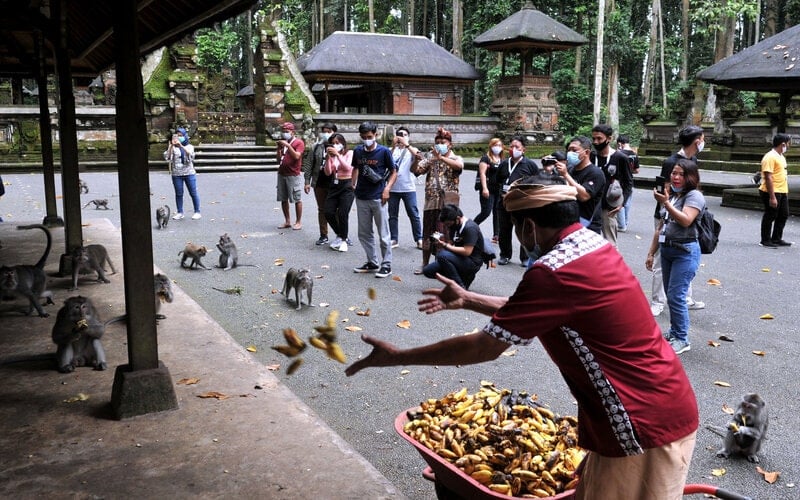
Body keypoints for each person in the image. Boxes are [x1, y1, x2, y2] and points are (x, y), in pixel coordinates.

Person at [346, 174, 699, 499]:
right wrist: (469, 299)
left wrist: (397, 356)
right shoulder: (591, 245)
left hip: (640, 426)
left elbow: (486, 346)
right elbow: (534, 308)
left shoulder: (552, 272)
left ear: (528, 227)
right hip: (662, 404)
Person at [646, 158, 705, 355]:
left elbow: (686, 220)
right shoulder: (673, 196)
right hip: (667, 250)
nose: (676, 177)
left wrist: (665, 203)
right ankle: (674, 332)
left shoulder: (694, 196)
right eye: (674, 173)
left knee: (676, 296)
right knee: (672, 296)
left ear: (691, 177)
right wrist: (650, 253)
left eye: (681, 174)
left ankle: (682, 339)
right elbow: (661, 227)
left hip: (685, 251)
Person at [650, 125, 705, 316]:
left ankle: (686, 297)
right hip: (667, 214)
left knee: (685, 259)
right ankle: (657, 301)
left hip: (687, 212)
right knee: (660, 259)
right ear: (697, 141)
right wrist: (668, 207)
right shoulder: (671, 161)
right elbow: (664, 189)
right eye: (702, 138)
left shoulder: (693, 160)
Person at [412, 127, 463, 275]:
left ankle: (441, 265)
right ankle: (425, 264)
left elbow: (459, 167)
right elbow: (416, 171)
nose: (440, 144)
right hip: (431, 202)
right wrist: (416, 160)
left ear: (450, 145)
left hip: (448, 205)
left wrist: (441, 158)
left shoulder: (456, 158)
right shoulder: (431, 159)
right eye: (438, 142)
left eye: (443, 142)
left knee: (444, 235)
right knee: (427, 234)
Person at [351, 121, 397, 278]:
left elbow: (393, 171)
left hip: (378, 196)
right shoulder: (358, 151)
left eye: (369, 136)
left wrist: (387, 189)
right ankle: (372, 261)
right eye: (363, 137)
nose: (366, 139)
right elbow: (355, 168)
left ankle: (386, 264)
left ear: (376, 134)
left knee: (383, 233)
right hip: (361, 196)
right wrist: (352, 184)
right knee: (364, 233)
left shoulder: (384, 151)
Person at [495, 135, 538, 265]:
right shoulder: (503, 164)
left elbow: (535, 183)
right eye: (512, 146)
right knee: (504, 230)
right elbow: (498, 181)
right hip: (504, 203)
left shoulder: (530, 165)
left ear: (523, 149)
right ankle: (505, 255)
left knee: (524, 230)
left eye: (517, 147)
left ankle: (524, 257)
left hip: (522, 204)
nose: (514, 149)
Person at [423, 204, 485, 290]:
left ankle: (460, 287)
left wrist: (445, 245)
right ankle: (463, 278)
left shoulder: (470, 228)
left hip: (472, 261)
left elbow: (467, 251)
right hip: (460, 259)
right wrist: (439, 242)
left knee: (442, 255)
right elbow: (451, 243)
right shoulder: (454, 226)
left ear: (457, 219)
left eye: (448, 224)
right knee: (428, 271)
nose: (447, 226)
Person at [590, 124, 633, 246]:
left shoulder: (620, 158)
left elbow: (629, 182)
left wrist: (621, 204)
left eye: (599, 138)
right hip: (591, 205)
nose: (596, 142)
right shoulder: (591, 156)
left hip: (608, 206)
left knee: (610, 244)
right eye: (593, 139)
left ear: (609, 139)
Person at [556, 136, 605, 234]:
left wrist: (566, 175)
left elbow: (584, 196)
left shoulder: (595, 173)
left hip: (588, 225)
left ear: (586, 152)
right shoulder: (570, 169)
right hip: (569, 221)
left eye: (574, 150)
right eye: (569, 150)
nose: (570, 153)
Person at [388, 127, 423, 249]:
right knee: (392, 215)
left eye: (404, 135)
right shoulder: (390, 150)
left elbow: (419, 156)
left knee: (413, 214)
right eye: (399, 135)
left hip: (408, 188)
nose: (401, 137)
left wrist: (406, 144)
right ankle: (394, 239)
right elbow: (387, 163)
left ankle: (419, 238)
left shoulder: (412, 150)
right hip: (392, 188)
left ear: (408, 137)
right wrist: (393, 146)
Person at [303, 122, 337, 245]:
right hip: (319, 181)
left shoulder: (339, 146)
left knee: (337, 209)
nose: (326, 134)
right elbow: (308, 164)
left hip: (335, 182)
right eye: (324, 131)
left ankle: (341, 234)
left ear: (334, 132)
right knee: (322, 209)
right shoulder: (316, 146)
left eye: (329, 131)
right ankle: (323, 234)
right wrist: (307, 181)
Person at [758, 133, 792, 248]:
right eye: (788, 143)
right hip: (771, 191)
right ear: (783, 144)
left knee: (783, 214)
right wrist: (772, 197)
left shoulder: (781, 156)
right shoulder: (770, 157)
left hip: (782, 190)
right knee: (771, 214)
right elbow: (768, 177)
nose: (789, 145)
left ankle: (776, 238)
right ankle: (765, 240)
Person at [322, 133, 354, 252]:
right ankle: (340, 235)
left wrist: (338, 155)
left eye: (337, 143)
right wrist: (328, 158)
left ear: (343, 143)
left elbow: (348, 168)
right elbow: (328, 172)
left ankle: (344, 240)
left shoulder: (349, 153)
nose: (335, 145)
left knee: (342, 213)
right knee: (328, 211)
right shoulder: (332, 156)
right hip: (335, 185)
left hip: (347, 184)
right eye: (333, 143)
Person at [164, 127, 201, 220]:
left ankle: (197, 211)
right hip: (177, 174)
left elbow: (191, 157)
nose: (179, 137)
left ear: (185, 136)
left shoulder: (189, 146)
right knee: (179, 193)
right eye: (177, 136)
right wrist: (171, 146)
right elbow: (167, 157)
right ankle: (180, 212)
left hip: (189, 173)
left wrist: (181, 146)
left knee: (193, 192)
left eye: (181, 136)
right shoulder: (172, 147)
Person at [473, 138, 505, 243]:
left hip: (498, 189)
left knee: (497, 212)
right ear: (491, 146)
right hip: (488, 189)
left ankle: (497, 235)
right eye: (496, 145)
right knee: (486, 211)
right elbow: (482, 173)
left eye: (500, 145)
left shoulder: (502, 159)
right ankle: (471, 226)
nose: (498, 147)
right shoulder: (486, 158)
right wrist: (484, 188)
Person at [275, 122, 305, 230]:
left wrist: (288, 145)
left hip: (293, 174)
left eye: (287, 131)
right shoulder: (283, 143)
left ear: (293, 132)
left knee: (296, 198)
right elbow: (278, 160)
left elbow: (297, 156)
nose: (284, 134)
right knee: (283, 198)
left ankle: (298, 222)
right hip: (282, 173)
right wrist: (279, 149)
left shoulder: (298, 143)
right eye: (283, 131)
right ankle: (287, 221)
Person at [615, 135, 640, 232]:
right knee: (627, 203)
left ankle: (621, 225)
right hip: (630, 181)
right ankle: (625, 222)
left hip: (621, 181)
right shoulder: (634, 154)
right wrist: (629, 171)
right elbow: (637, 170)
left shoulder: (619, 154)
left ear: (620, 143)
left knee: (620, 202)